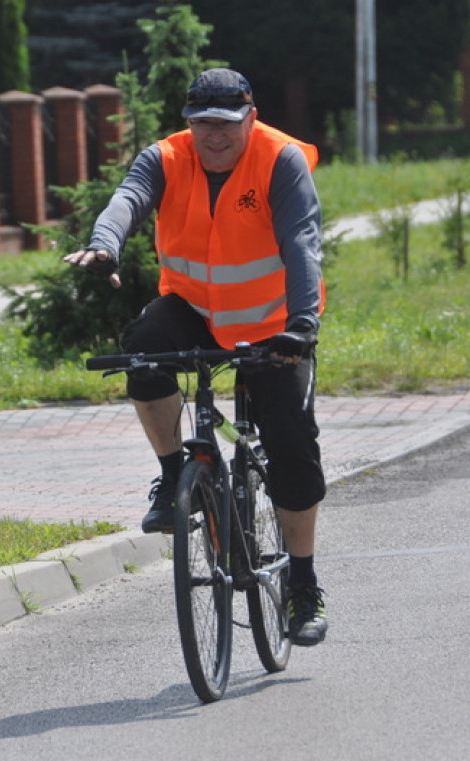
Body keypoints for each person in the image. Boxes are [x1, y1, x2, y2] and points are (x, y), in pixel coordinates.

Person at [64, 68, 327, 647]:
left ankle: (302, 587)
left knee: (291, 450)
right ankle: (172, 474)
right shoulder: (165, 158)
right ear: (189, 122)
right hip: (194, 310)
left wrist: (302, 325)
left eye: (227, 125)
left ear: (250, 119)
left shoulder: (279, 161)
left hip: (273, 326)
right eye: (203, 124)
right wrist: (105, 243)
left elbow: (302, 243)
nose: (215, 136)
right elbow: (127, 199)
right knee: (142, 350)